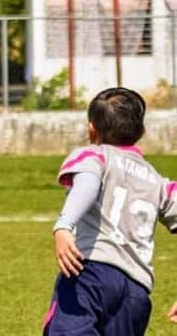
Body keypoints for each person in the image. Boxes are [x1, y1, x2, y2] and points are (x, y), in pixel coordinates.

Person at [43, 87, 177, 336]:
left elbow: (88, 184)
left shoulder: (95, 155)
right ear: (142, 131)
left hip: (89, 275)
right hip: (136, 292)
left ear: (91, 128)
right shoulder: (158, 181)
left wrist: (64, 225)